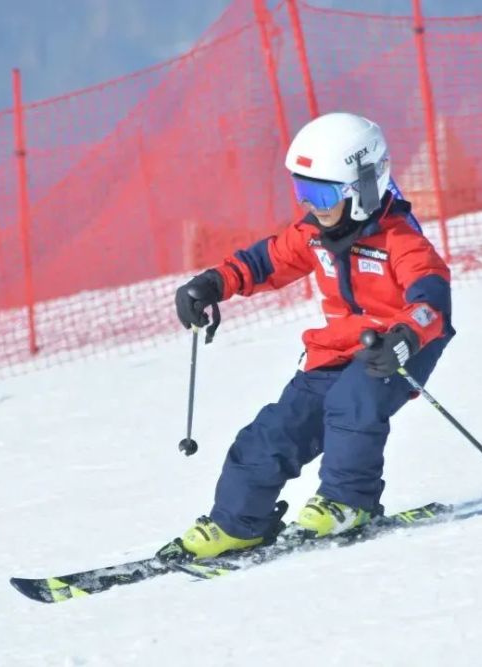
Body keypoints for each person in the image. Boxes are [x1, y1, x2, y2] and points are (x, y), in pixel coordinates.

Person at [163, 112, 455, 560]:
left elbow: (430, 299)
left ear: (361, 188)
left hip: (398, 347)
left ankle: (348, 502)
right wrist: (210, 284)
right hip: (337, 348)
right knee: (272, 430)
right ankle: (237, 524)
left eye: (321, 192)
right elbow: (263, 263)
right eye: (303, 190)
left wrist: (407, 335)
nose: (311, 205)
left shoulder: (401, 241)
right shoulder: (314, 234)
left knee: (353, 402)